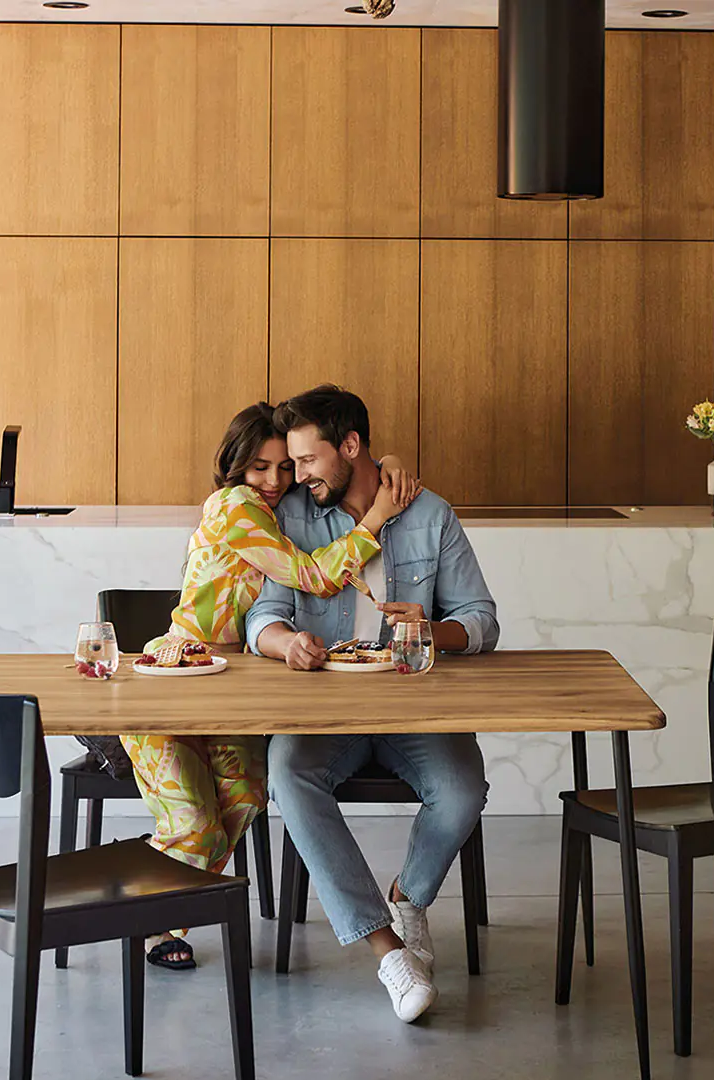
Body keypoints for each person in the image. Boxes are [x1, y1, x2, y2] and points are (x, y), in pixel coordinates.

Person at [80, 402, 421, 971]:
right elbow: (314, 576)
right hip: (175, 671)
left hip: (231, 681)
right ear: (237, 465)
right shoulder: (236, 506)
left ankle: (143, 891)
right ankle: (132, 907)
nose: (274, 481)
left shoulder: (279, 504)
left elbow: (339, 471)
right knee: (193, 824)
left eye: (284, 468)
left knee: (246, 794)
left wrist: (387, 461)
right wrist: (377, 516)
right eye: (260, 467)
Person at [245, 385, 498, 1023]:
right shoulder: (293, 520)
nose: (295, 476)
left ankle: (407, 899)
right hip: (326, 712)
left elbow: (482, 620)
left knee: (465, 786)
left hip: (413, 708)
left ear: (351, 447)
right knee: (287, 772)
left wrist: (431, 630)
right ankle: (388, 951)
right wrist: (286, 644)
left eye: (306, 461)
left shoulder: (430, 513)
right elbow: (262, 619)